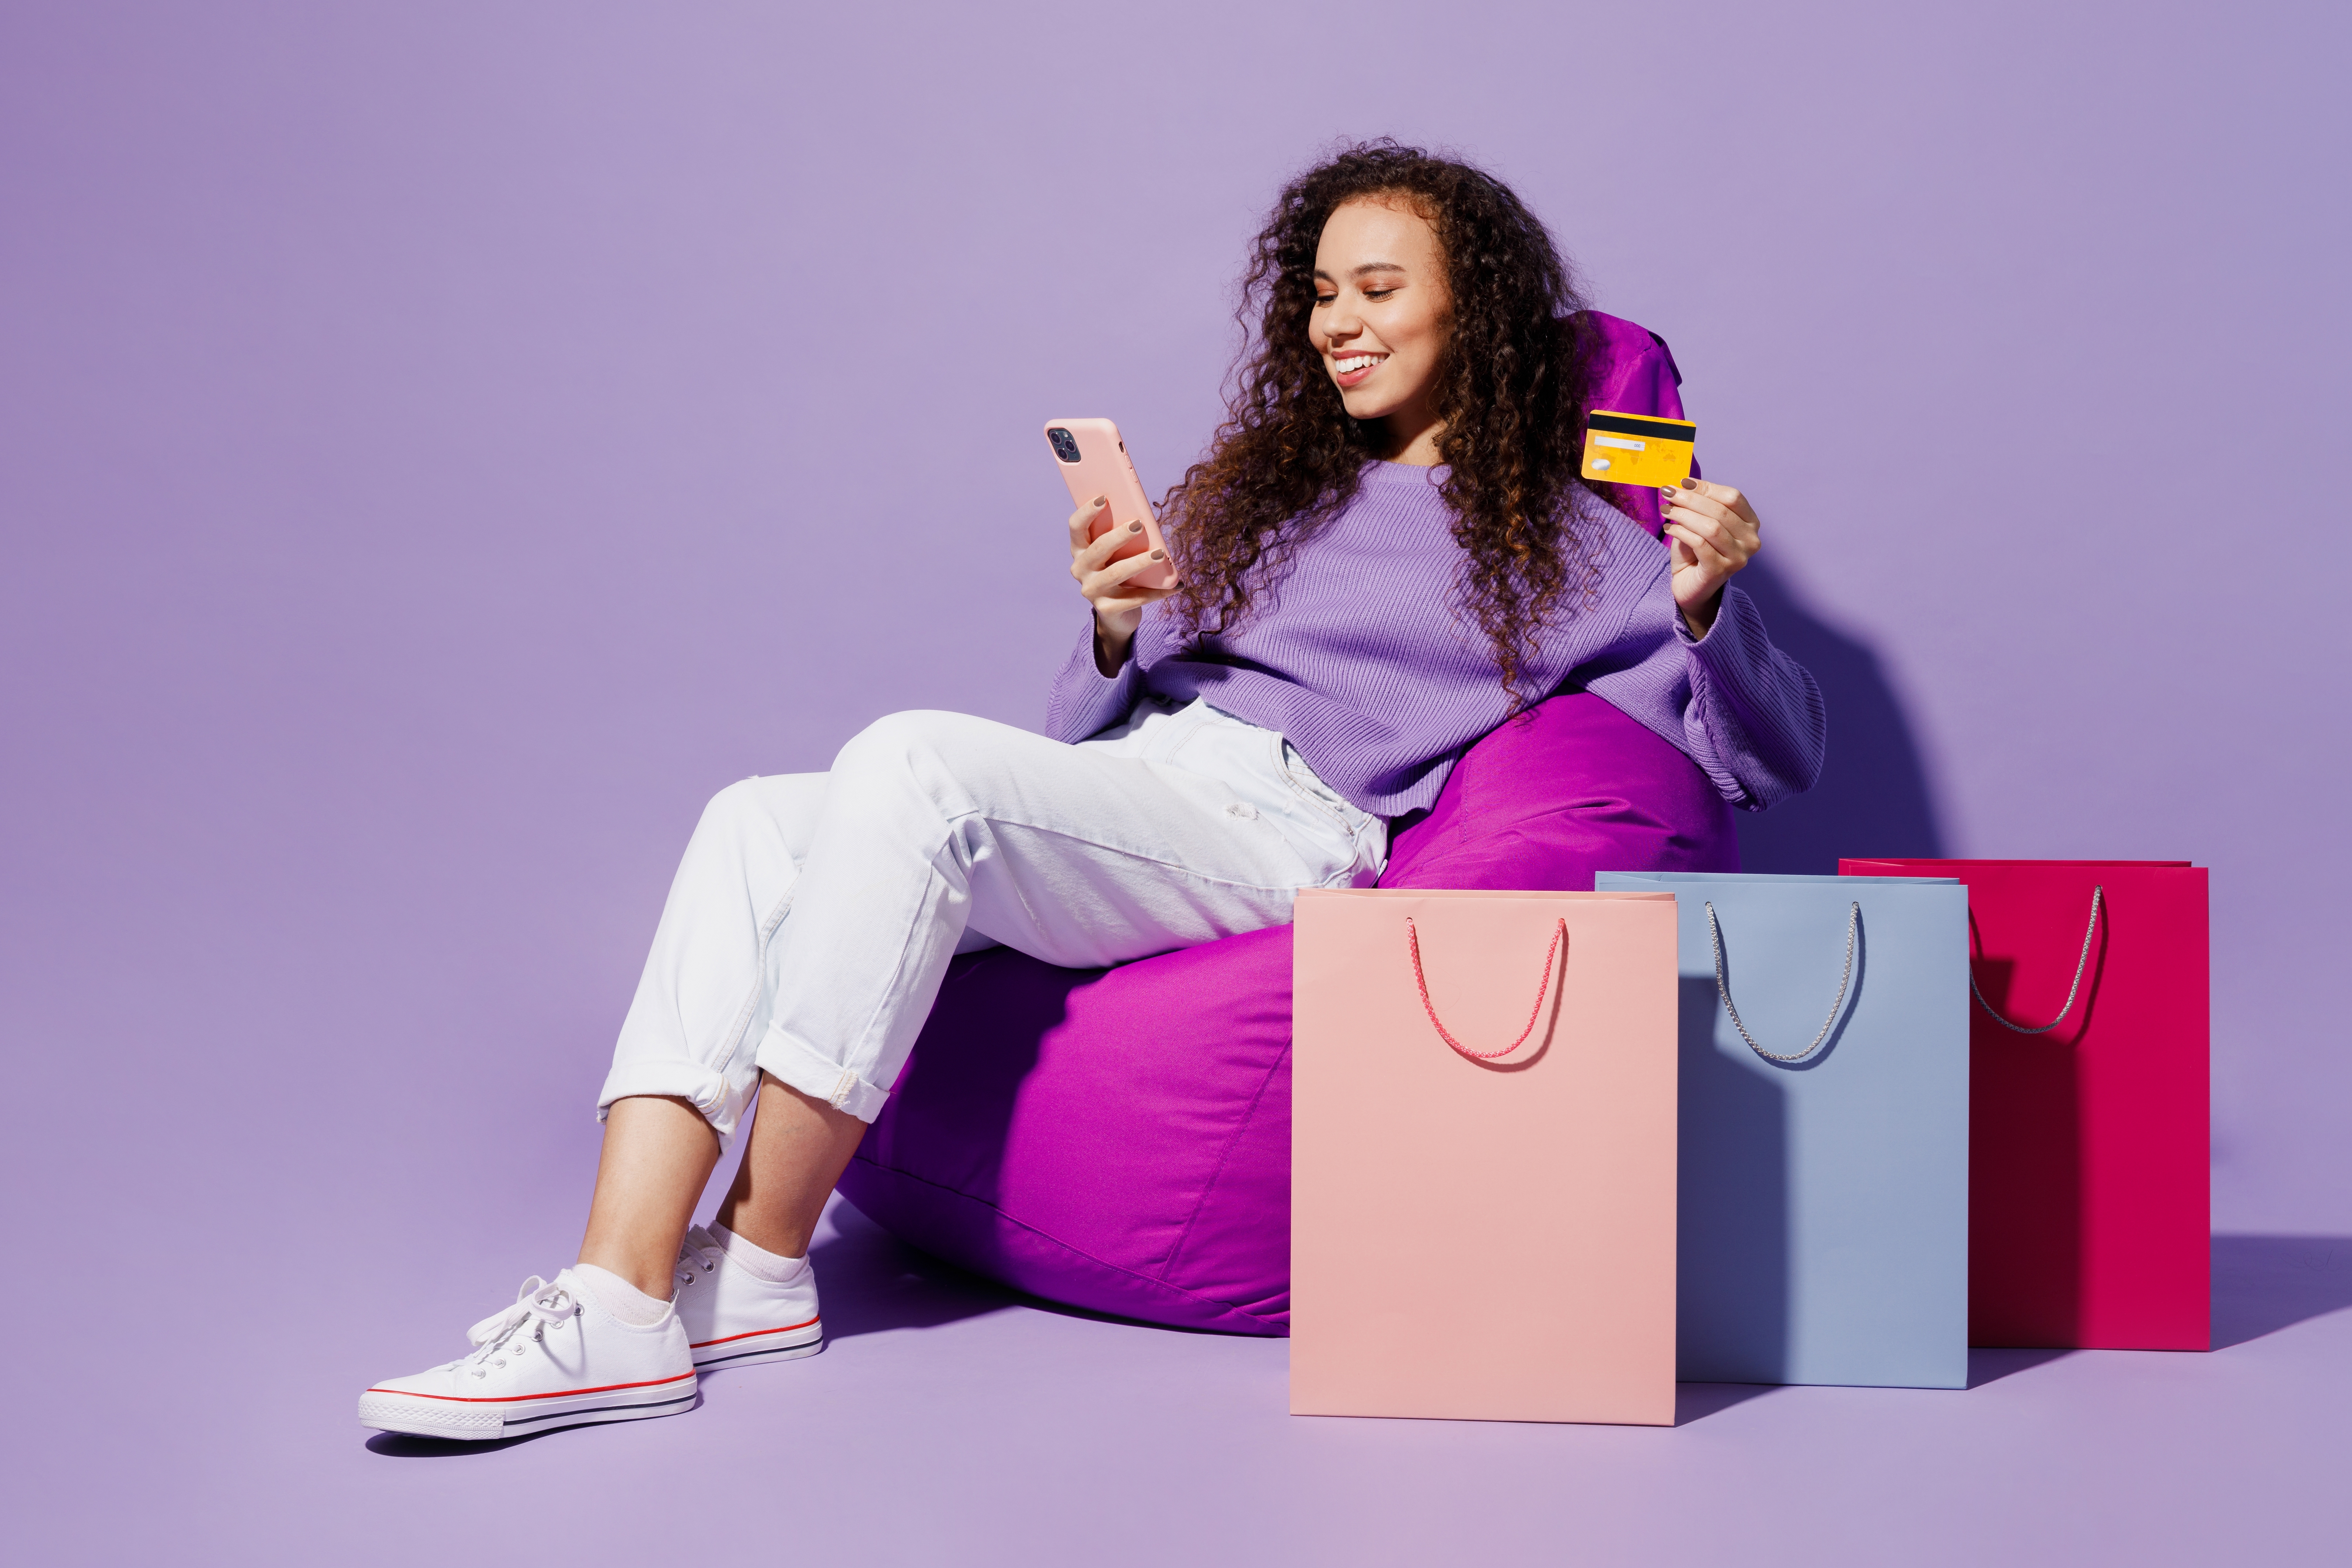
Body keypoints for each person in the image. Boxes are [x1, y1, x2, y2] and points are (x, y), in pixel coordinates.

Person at [359, 141, 1825, 1441]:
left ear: (1476, 312)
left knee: (913, 766)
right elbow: (1075, 732)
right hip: (1135, 789)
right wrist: (1119, 626)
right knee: (755, 814)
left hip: (1286, 826)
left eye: (1378, 289)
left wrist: (1707, 600)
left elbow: (1766, 757)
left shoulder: (1564, 545)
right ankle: (633, 1277)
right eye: (1320, 293)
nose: (1338, 324)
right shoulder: (1266, 491)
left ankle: (757, 1259)